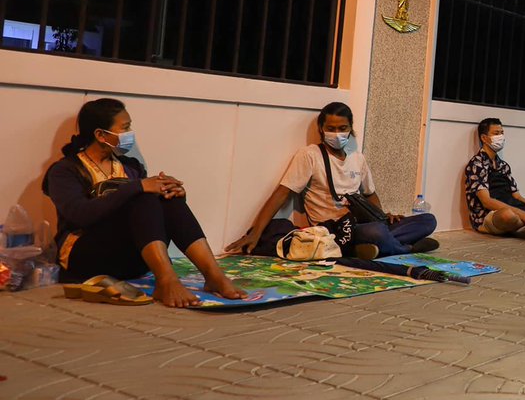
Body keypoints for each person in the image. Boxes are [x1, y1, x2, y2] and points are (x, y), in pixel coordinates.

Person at [44, 98, 246, 307]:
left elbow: (149, 216)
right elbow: (79, 214)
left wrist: (172, 193)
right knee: (143, 197)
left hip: (130, 260)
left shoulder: (130, 167)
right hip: (86, 258)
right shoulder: (65, 170)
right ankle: (167, 280)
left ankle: (213, 275)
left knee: (167, 201)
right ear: (100, 135)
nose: (130, 133)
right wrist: (138, 187)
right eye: (125, 127)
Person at [228, 102, 438, 259]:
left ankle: (370, 247)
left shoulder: (358, 158)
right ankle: (406, 248)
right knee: (377, 233)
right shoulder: (310, 155)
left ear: (350, 128)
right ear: (321, 128)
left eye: (342, 128)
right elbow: (282, 193)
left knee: (427, 220)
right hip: (332, 230)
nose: (337, 134)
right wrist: (256, 233)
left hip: (363, 223)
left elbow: (370, 194)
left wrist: (383, 216)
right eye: (331, 128)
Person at [465, 118, 525, 240]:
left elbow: (516, 196)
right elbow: (487, 201)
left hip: (515, 209)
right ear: (484, 138)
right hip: (491, 214)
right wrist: (521, 213)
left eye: (502, 133)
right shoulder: (476, 164)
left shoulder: (503, 165)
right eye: (496, 133)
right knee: (507, 215)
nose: (501, 137)